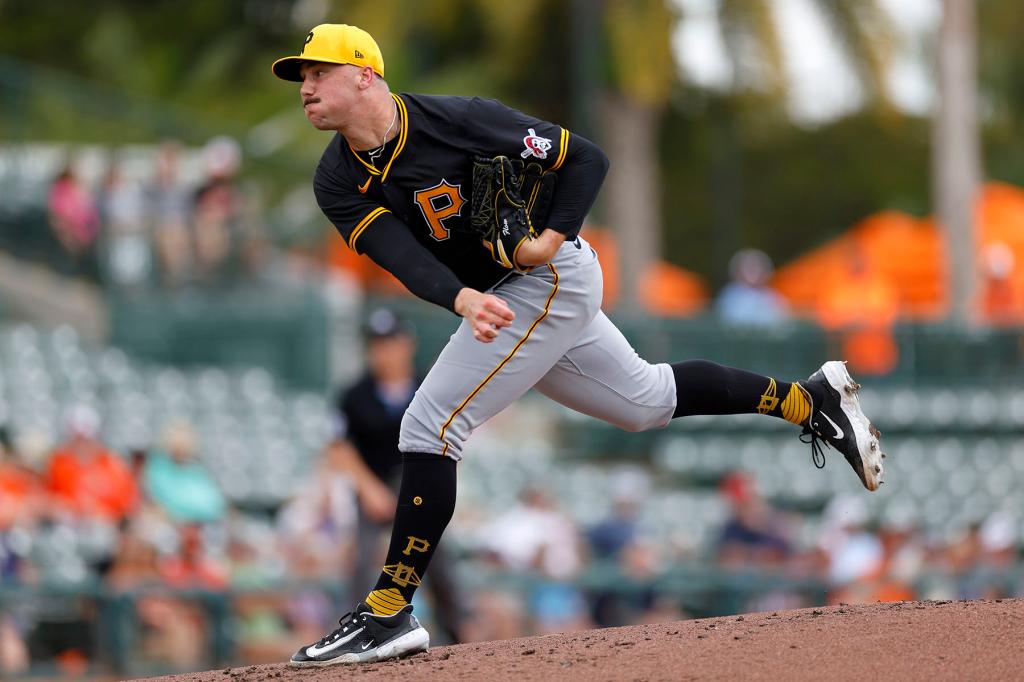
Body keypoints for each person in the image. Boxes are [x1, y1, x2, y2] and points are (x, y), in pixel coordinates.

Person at [272, 24, 885, 666]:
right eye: (303, 78)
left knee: (429, 427)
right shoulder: (336, 179)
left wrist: (548, 238)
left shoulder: (459, 120)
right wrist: (460, 298)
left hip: (549, 275)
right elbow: (396, 252)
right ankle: (808, 400)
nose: (306, 88)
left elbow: (586, 157)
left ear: (364, 75)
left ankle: (388, 611)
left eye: (318, 73)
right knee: (643, 400)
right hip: (502, 295)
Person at [324, 308, 464, 643]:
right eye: (377, 343)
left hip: (417, 482)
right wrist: (369, 489)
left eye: (391, 342)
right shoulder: (354, 394)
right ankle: (355, 632)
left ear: (407, 344)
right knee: (361, 559)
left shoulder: (427, 384)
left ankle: (457, 630)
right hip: (372, 484)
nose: (384, 350)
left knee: (437, 558)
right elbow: (339, 448)